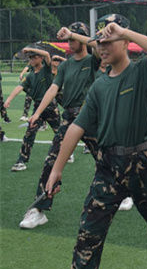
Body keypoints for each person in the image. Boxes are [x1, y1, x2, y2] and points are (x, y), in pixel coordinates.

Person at [45, 14, 147, 269]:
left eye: (108, 41)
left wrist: (123, 32)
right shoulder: (99, 86)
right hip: (108, 167)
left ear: (124, 42)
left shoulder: (140, 71)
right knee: (88, 234)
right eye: (99, 42)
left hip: (143, 164)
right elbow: (76, 127)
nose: (102, 47)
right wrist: (57, 169)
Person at [18, 23, 111, 229]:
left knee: (106, 160)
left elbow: (97, 45)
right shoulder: (65, 66)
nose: (69, 42)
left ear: (82, 39)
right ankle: (39, 209)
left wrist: (73, 33)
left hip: (90, 117)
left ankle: (123, 194)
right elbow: (53, 89)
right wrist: (37, 113)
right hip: (69, 119)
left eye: (72, 39)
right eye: (68, 39)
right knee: (51, 161)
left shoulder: (92, 60)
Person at [4, 47, 61, 172]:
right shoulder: (30, 76)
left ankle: (68, 153)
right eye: (30, 58)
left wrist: (29, 48)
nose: (31, 60)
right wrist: (9, 99)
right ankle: (21, 160)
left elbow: (47, 54)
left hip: (51, 107)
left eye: (34, 57)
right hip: (38, 108)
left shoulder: (46, 70)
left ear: (40, 59)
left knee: (60, 133)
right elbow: (19, 87)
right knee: (29, 133)